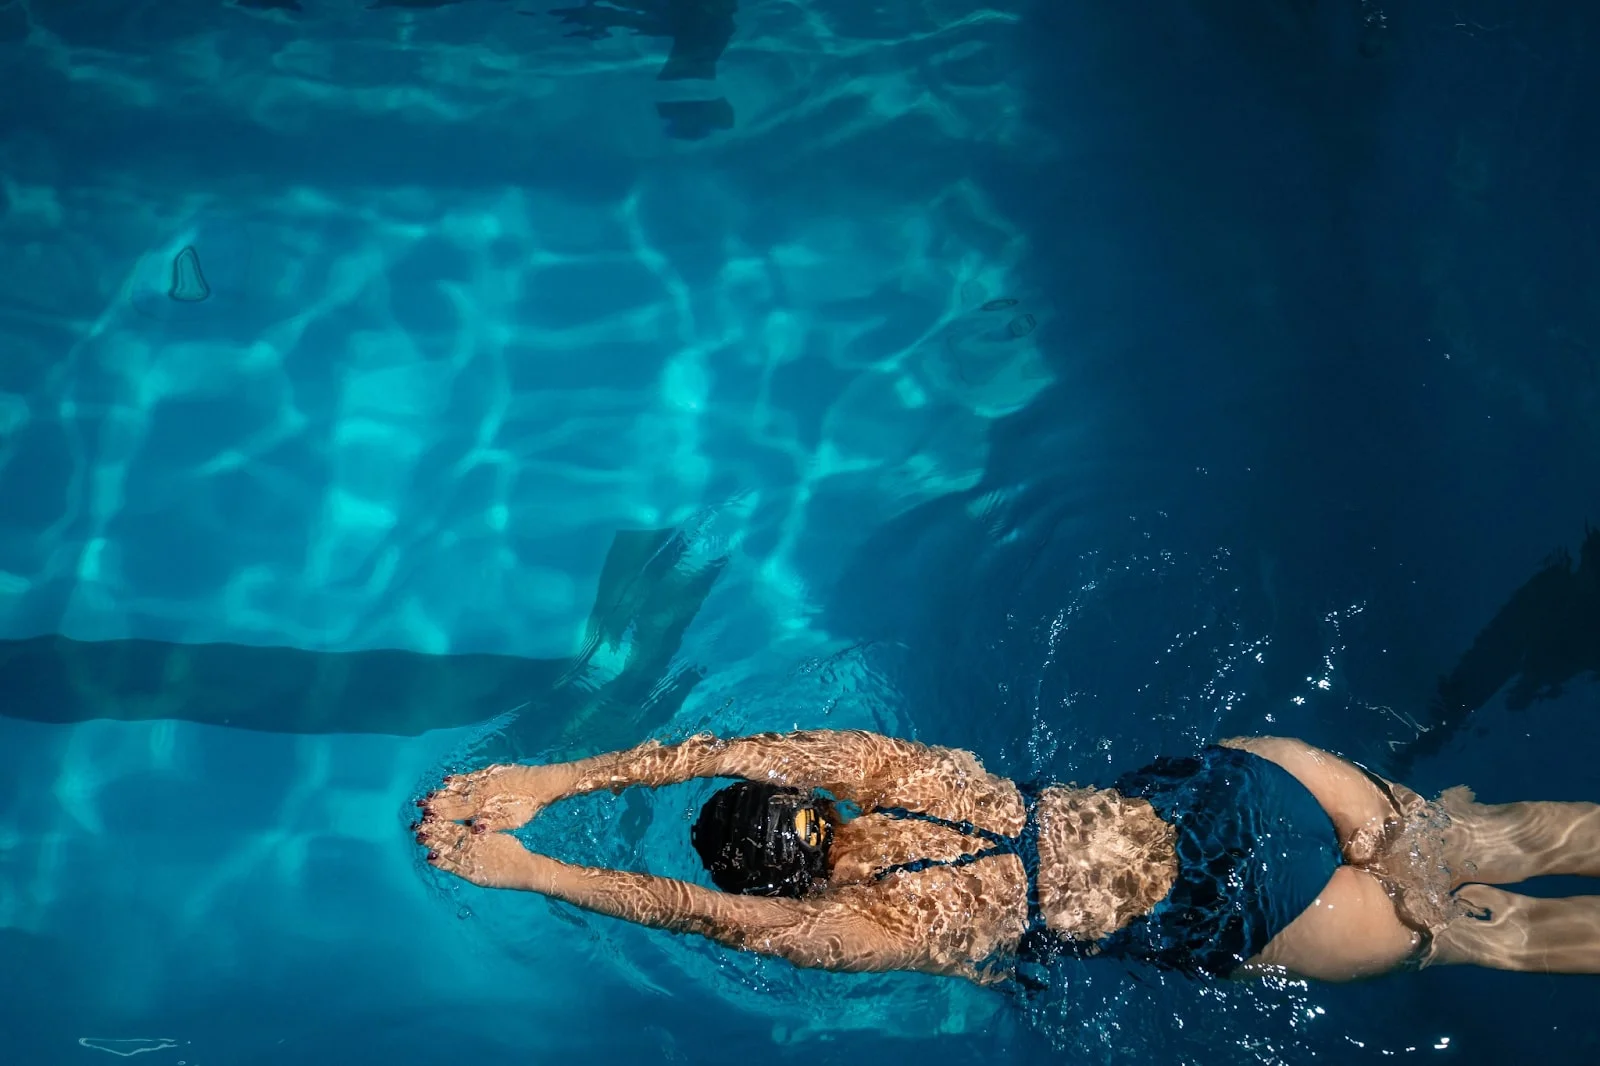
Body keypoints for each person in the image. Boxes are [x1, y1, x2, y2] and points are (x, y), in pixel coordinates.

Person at [415, 730, 1600, 984]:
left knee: (1501, 931)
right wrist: (560, 780)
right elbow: (719, 746)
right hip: (1257, 786)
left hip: (1255, 914)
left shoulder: (866, 926)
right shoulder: (883, 770)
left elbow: (698, 915)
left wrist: (540, 874)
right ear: (806, 796)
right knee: (1483, 836)